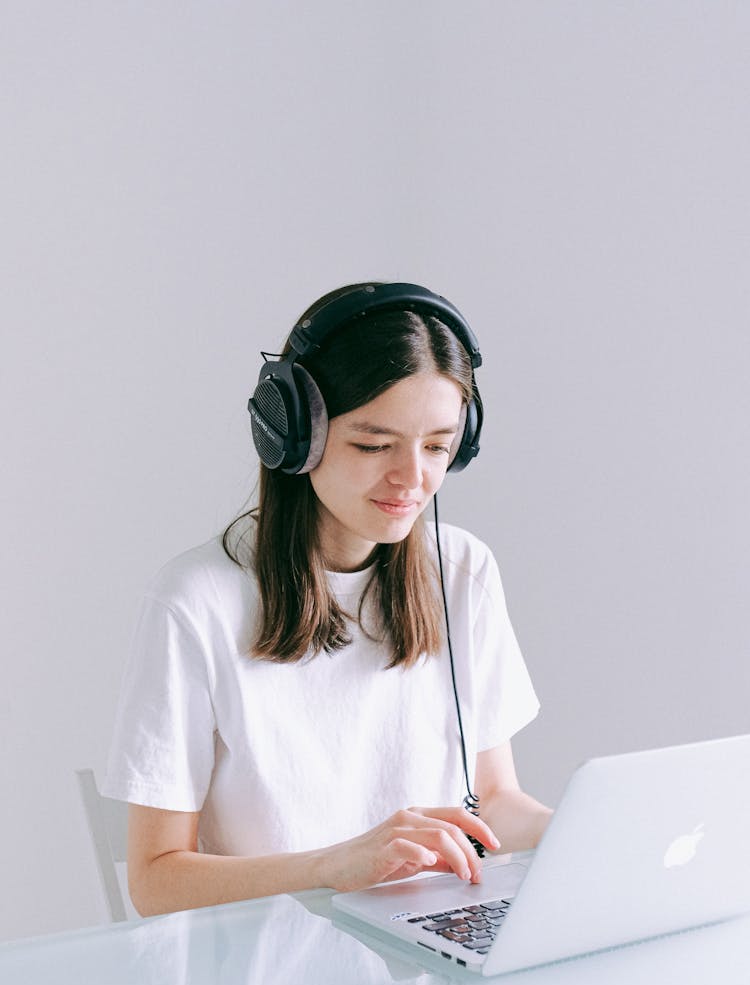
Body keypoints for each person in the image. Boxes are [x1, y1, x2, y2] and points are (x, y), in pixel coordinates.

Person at [103, 281, 552, 916]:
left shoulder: (462, 571)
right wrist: (330, 866)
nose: (413, 478)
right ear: (294, 436)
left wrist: (588, 838)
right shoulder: (195, 602)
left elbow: (494, 799)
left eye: (437, 447)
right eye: (373, 445)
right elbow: (155, 883)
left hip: (433, 975)